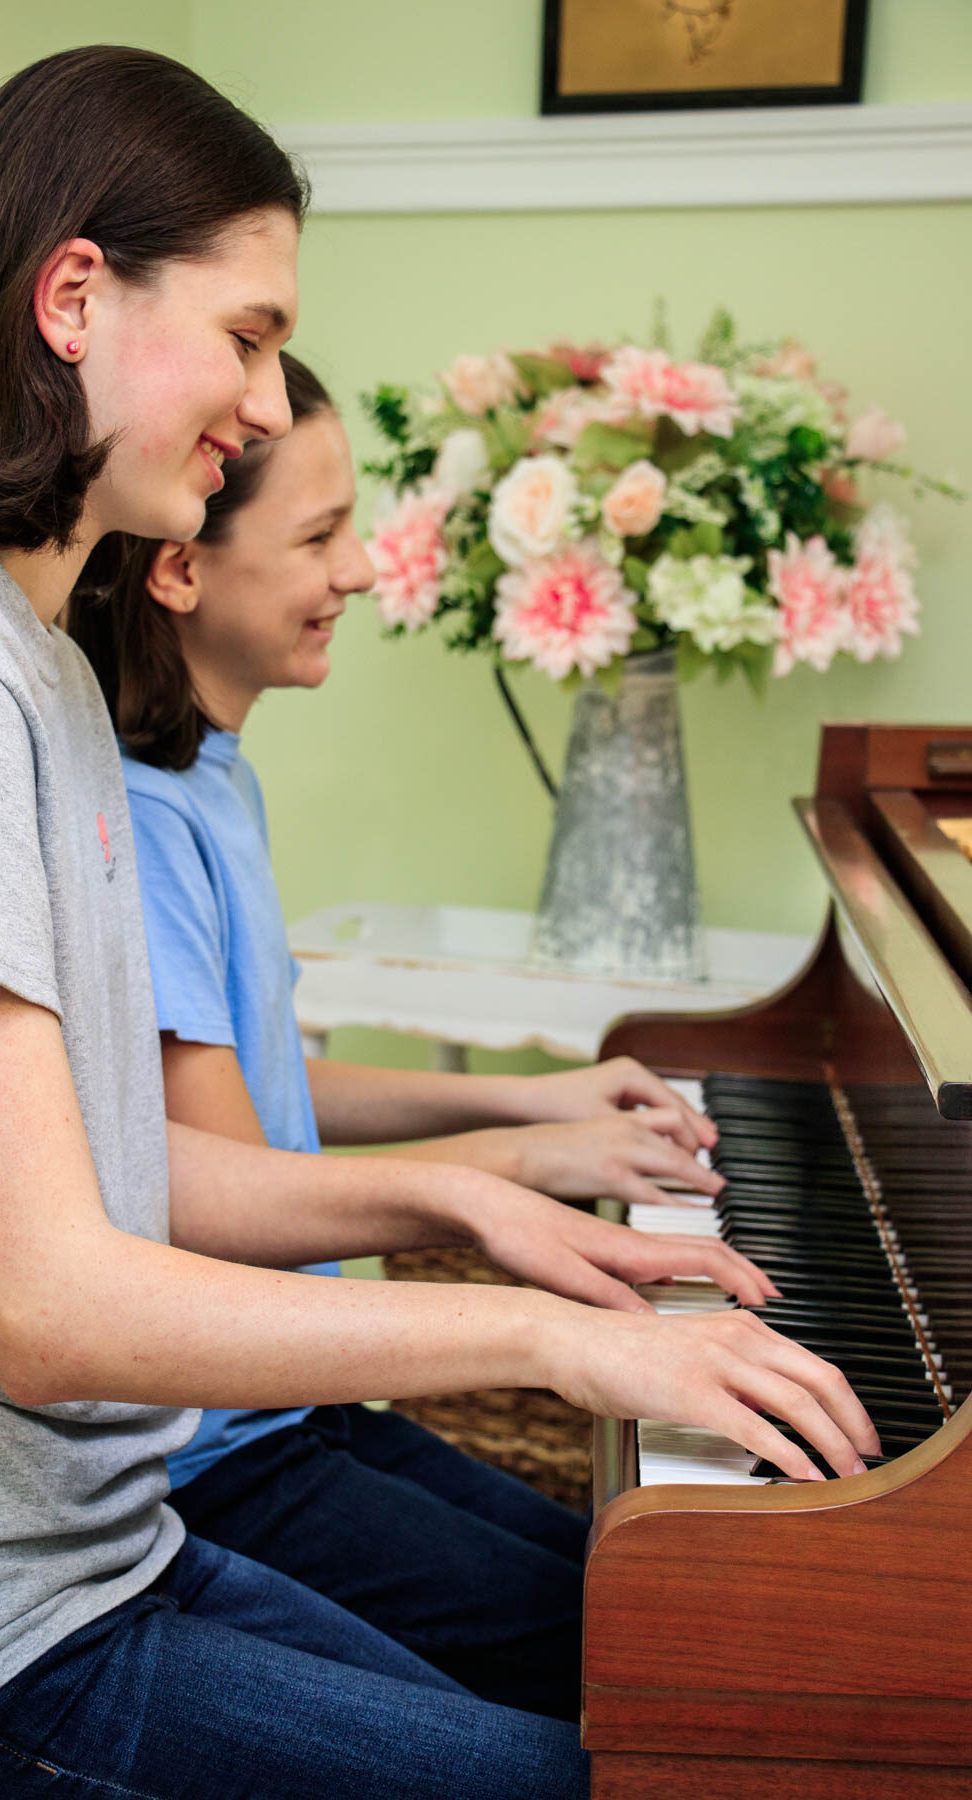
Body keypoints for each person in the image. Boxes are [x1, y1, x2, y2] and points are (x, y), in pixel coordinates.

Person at [0, 44, 877, 1800]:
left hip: (87, 1549)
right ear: (74, 298)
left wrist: (479, 1193)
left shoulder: (32, 662)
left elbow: (135, 1171)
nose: (272, 404)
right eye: (248, 334)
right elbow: (54, 1304)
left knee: (636, 1735)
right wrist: (544, 1333)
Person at [64, 353, 790, 1718]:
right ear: (180, 570)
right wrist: (506, 1210)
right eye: (319, 537)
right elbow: (226, 1198)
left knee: (628, 1585)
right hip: (223, 1456)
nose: (356, 572)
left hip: (303, 1410)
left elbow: (259, 1086)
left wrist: (543, 1113)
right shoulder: (144, 820)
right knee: (644, 1649)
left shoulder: (210, 775)